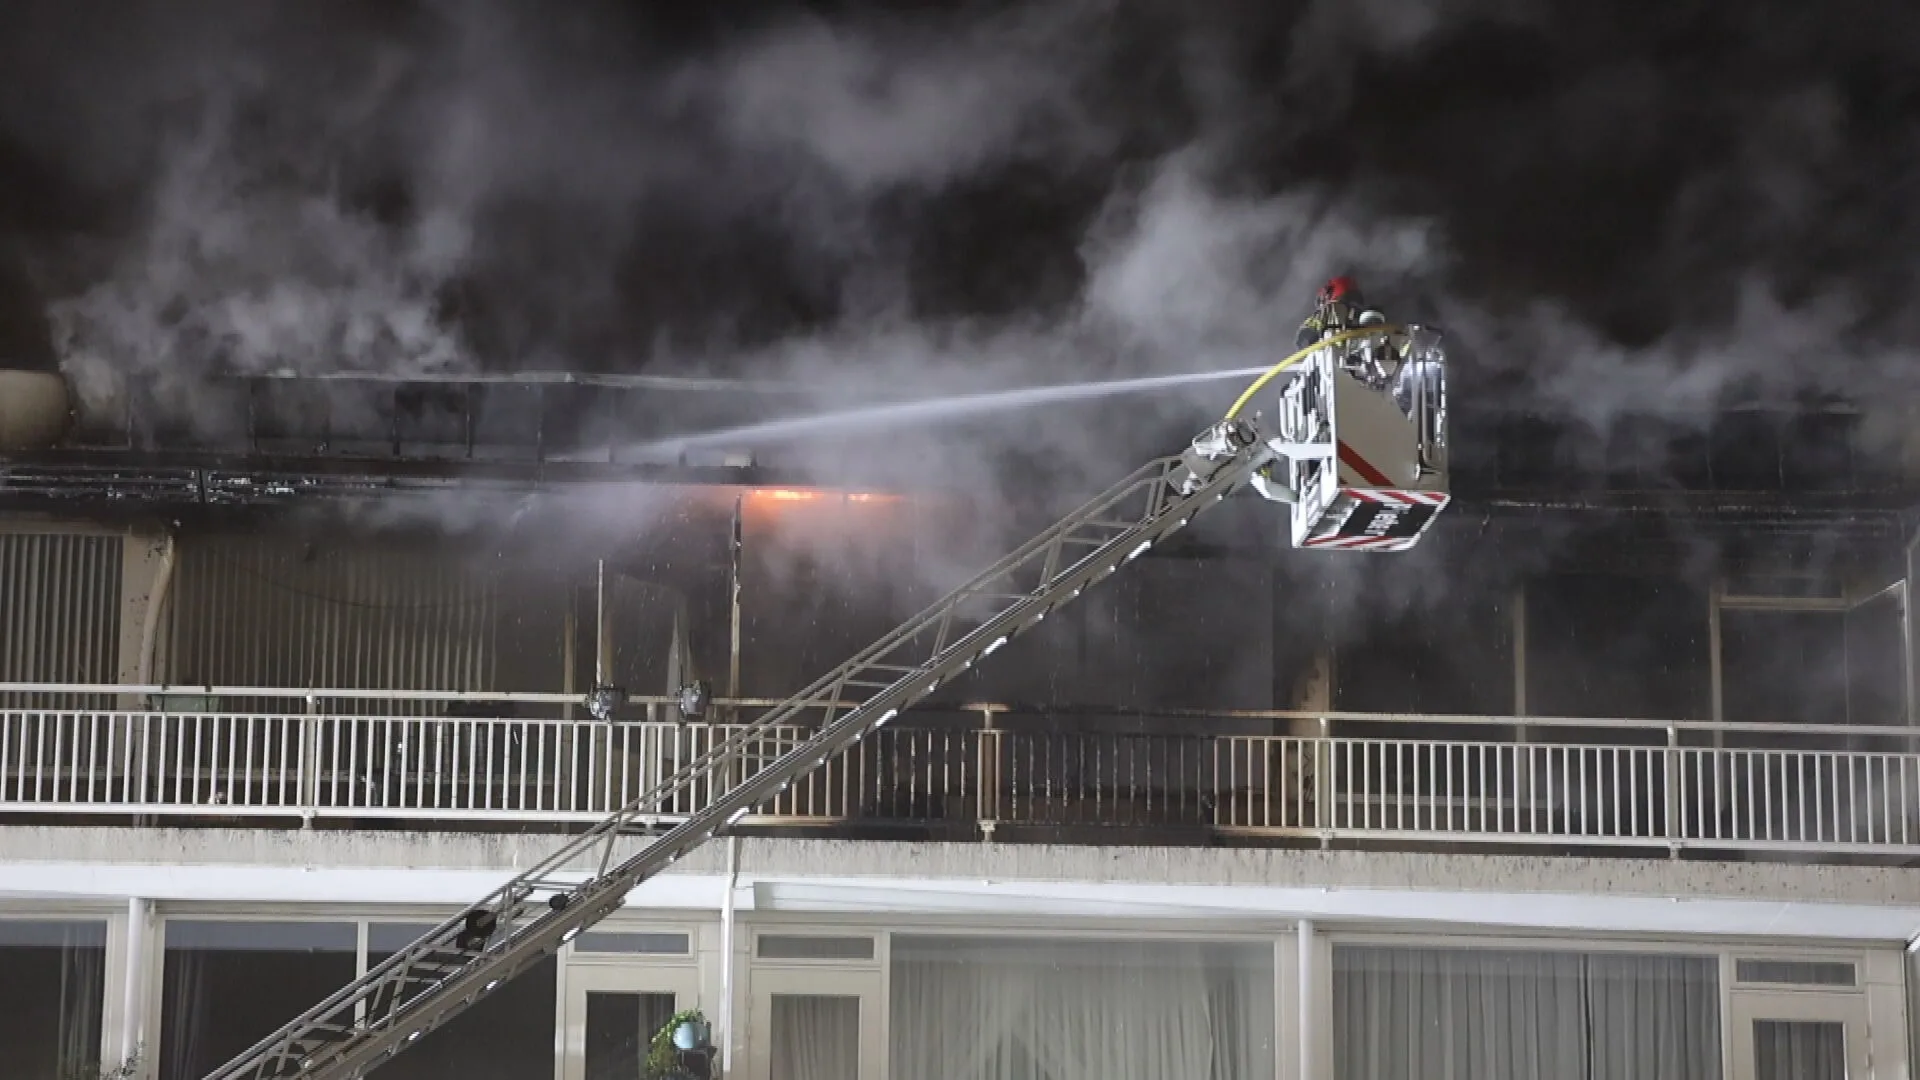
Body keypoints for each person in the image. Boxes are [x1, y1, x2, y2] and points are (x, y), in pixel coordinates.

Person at [1295, 275, 1386, 349]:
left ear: (1327, 295)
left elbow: (1304, 336)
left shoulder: (1328, 310)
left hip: (1334, 359)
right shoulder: (1365, 315)